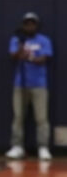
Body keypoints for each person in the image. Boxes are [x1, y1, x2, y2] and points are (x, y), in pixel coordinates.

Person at [5, 12, 53, 160]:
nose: (29, 26)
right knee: (18, 116)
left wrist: (29, 56)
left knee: (41, 118)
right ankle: (17, 146)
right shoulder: (17, 39)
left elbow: (43, 58)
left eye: (32, 23)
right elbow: (14, 55)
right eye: (27, 23)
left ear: (36, 25)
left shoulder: (44, 40)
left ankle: (43, 147)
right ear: (23, 25)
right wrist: (21, 49)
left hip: (39, 84)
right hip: (20, 84)